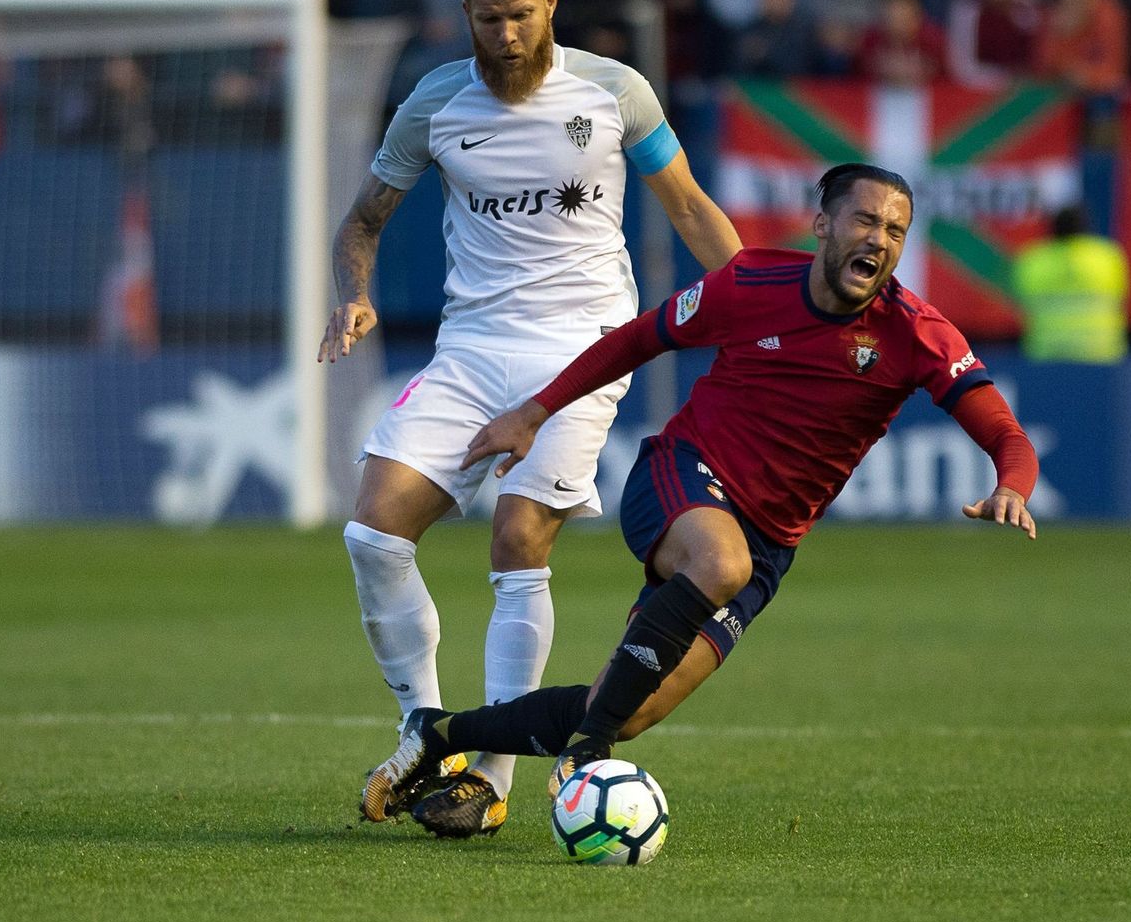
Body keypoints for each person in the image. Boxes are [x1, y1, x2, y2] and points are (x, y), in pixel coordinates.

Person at [360, 163, 1040, 838]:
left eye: (895, 229)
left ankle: (440, 734)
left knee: (627, 706)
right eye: (865, 219)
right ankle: (585, 756)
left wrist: (1013, 483)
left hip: (769, 543)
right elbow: (637, 338)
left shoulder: (916, 332)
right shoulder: (749, 283)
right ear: (824, 223)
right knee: (718, 564)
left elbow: (1005, 432)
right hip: (681, 477)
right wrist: (535, 411)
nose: (880, 239)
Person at [318, 0, 742, 836]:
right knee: (372, 532)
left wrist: (762, 311)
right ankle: (425, 734)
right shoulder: (434, 102)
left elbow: (691, 209)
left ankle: (494, 775)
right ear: (463, 15)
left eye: (520, 15)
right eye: (487, 18)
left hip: (584, 346)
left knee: (519, 530)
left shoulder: (615, 92)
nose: (506, 35)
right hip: (470, 347)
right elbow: (361, 221)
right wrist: (354, 295)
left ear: (551, 4)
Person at [1009, 205, 1128, 363]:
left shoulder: (1032, 261)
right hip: (1100, 354)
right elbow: (1121, 298)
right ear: (1086, 227)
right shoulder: (1107, 257)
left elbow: (1019, 306)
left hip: (1047, 355)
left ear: (1053, 229)